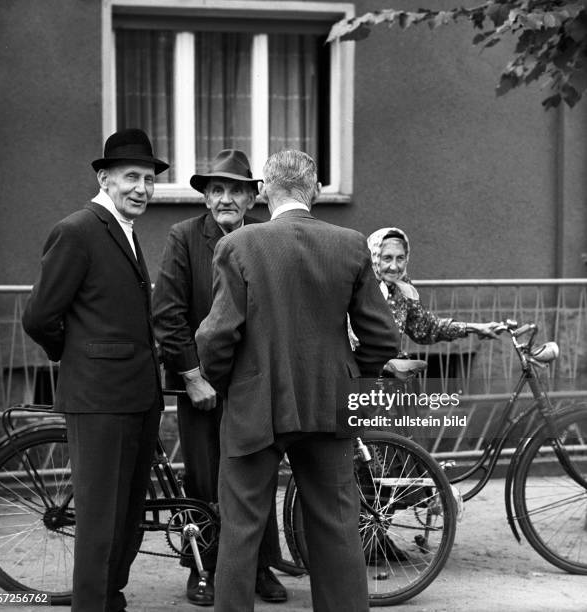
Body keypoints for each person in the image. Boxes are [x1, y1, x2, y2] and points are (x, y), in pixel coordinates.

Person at [195, 150, 400, 611]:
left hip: (256, 400)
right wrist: (356, 374)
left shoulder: (239, 245)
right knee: (336, 525)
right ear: (317, 192)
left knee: (242, 529)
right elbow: (382, 337)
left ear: (264, 190)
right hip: (331, 401)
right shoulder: (350, 245)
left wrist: (228, 382)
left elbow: (215, 336)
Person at [22, 128, 167, 612]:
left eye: (148, 179)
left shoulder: (122, 229)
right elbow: (40, 316)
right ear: (104, 178)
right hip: (100, 400)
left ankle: (109, 599)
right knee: (101, 520)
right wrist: (80, 355)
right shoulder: (78, 230)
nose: (142, 188)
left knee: (126, 517)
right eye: (131, 177)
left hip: (136, 398)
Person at [152, 149, 287, 606]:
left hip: (253, 385)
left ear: (252, 198)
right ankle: (202, 566)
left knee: (257, 476)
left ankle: (260, 567)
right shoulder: (184, 237)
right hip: (202, 386)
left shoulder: (266, 238)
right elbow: (168, 314)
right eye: (217, 190)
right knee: (205, 479)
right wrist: (192, 377)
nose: (226, 198)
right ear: (206, 197)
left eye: (236, 190)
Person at [366, 226, 500, 342]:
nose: (394, 267)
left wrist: (475, 328)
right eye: (387, 258)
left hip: (392, 367)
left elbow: (424, 327)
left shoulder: (402, 288)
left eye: (400, 258)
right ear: (374, 257)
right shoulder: (361, 288)